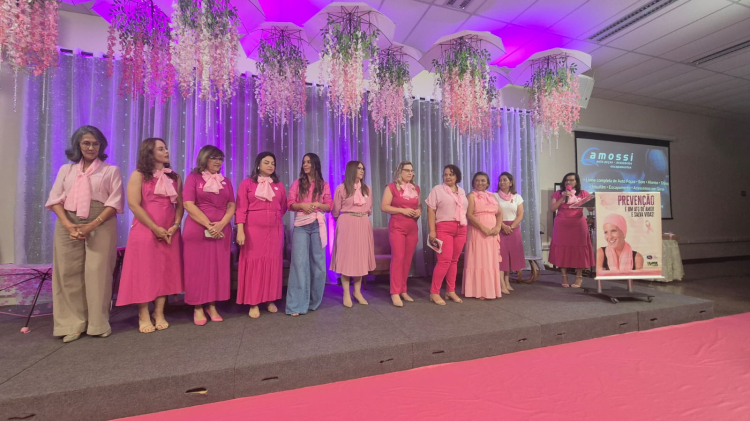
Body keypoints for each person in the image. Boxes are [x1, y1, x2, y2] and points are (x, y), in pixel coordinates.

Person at [45, 125, 124, 343]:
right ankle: (71, 324)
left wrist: (92, 225)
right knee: (68, 272)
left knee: (98, 272)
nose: (91, 147)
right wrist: (68, 225)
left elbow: (115, 202)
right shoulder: (66, 170)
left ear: (101, 146)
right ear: (78, 145)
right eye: (86, 143)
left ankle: (98, 324)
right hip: (68, 221)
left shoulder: (111, 170)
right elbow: (55, 199)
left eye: (95, 143)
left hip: (101, 220)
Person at [117, 138, 184, 333]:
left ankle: (159, 312)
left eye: (166, 148)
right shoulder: (138, 175)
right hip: (145, 228)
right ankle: (143, 314)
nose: (166, 151)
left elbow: (180, 205)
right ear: (150, 152)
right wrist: (154, 227)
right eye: (161, 149)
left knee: (165, 270)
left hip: (169, 230)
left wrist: (176, 225)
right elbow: (133, 204)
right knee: (144, 271)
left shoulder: (175, 177)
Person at [182, 145, 235, 325]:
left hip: (221, 230)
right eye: (214, 158)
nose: (218, 162)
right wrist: (208, 225)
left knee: (217, 268)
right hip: (198, 229)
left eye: (220, 158)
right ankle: (198, 305)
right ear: (204, 158)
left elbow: (231, 205)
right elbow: (188, 204)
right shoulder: (193, 178)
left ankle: (212, 305)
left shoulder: (225, 181)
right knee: (197, 268)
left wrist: (221, 224)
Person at [236, 152, 287, 319]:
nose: (271, 166)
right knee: (254, 264)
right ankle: (254, 302)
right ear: (258, 164)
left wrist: (272, 218)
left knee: (272, 263)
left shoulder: (278, 185)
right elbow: (241, 208)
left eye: (273, 163)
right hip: (253, 231)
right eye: (266, 162)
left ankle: (269, 299)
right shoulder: (247, 184)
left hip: (274, 231)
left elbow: (284, 206)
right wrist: (241, 230)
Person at [285, 153, 332, 316]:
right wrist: (302, 206)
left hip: (318, 225)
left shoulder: (323, 185)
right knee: (299, 263)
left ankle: (312, 301)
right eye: (304, 162)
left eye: (308, 162)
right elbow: (290, 204)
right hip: (301, 226)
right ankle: (296, 305)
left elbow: (329, 206)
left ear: (315, 164)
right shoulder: (297, 184)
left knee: (319, 265)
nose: (305, 165)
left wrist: (318, 204)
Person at [330, 161, 376, 307]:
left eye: (363, 168)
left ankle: (357, 291)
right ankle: (346, 293)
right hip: (347, 224)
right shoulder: (341, 188)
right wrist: (346, 221)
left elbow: (369, 208)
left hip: (363, 223)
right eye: (358, 168)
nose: (362, 171)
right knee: (347, 258)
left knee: (360, 258)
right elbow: (335, 211)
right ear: (351, 170)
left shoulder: (367, 189)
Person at [425, 165, 468, 305]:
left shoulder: (461, 191)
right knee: (444, 261)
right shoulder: (438, 189)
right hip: (444, 227)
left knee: (454, 261)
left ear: (457, 176)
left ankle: (450, 290)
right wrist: (432, 230)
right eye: (445, 174)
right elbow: (430, 210)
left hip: (461, 228)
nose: (448, 177)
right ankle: (434, 292)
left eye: (451, 174)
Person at [380, 161, 421, 307]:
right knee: (398, 258)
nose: (410, 173)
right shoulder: (391, 187)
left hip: (412, 227)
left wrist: (419, 211)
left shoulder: (416, 188)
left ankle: (403, 289)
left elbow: (419, 205)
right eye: (407, 170)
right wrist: (402, 210)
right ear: (400, 172)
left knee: (407, 260)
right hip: (397, 226)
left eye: (412, 170)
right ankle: (395, 292)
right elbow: (384, 207)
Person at [463, 172, 503, 300]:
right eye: (477, 180)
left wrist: (498, 227)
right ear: (473, 182)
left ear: (487, 183)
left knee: (490, 261)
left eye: (483, 180)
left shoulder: (492, 196)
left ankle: (489, 290)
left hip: (492, 233)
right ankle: (477, 291)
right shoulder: (471, 196)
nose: (480, 183)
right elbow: (469, 215)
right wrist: (483, 228)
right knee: (478, 260)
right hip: (477, 232)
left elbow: (499, 213)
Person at [549, 172, 594, 288]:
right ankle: (564, 276)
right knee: (562, 249)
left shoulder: (583, 193)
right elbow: (552, 208)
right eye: (567, 180)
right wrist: (563, 197)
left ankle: (579, 276)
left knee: (580, 249)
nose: (568, 182)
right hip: (562, 224)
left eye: (571, 180)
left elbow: (590, 209)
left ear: (576, 182)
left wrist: (589, 200)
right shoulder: (558, 193)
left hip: (578, 224)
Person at [494, 172, 525, 294]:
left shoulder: (517, 197)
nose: (502, 182)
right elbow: (493, 213)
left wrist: (511, 227)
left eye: (505, 180)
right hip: (499, 227)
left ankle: (507, 281)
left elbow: (520, 214)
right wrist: (503, 226)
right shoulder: (494, 196)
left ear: (511, 183)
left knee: (510, 257)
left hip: (513, 228)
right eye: (500, 180)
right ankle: (501, 284)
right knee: (501, 256)